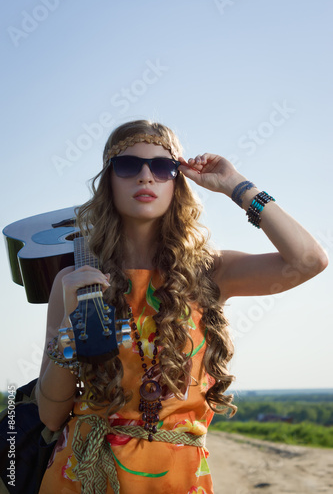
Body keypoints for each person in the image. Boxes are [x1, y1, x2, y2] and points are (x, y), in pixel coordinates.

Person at [36, 119, 328, 494]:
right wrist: (69, 333)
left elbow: (308, 261)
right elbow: (50, 414)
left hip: (179, 480)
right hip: (84, 475)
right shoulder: (76, 279)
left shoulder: (212, 272)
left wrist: (236, 186)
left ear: (177, 180)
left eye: (162, 167)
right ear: (109, 179)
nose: (146, 177)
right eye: (128, 166)